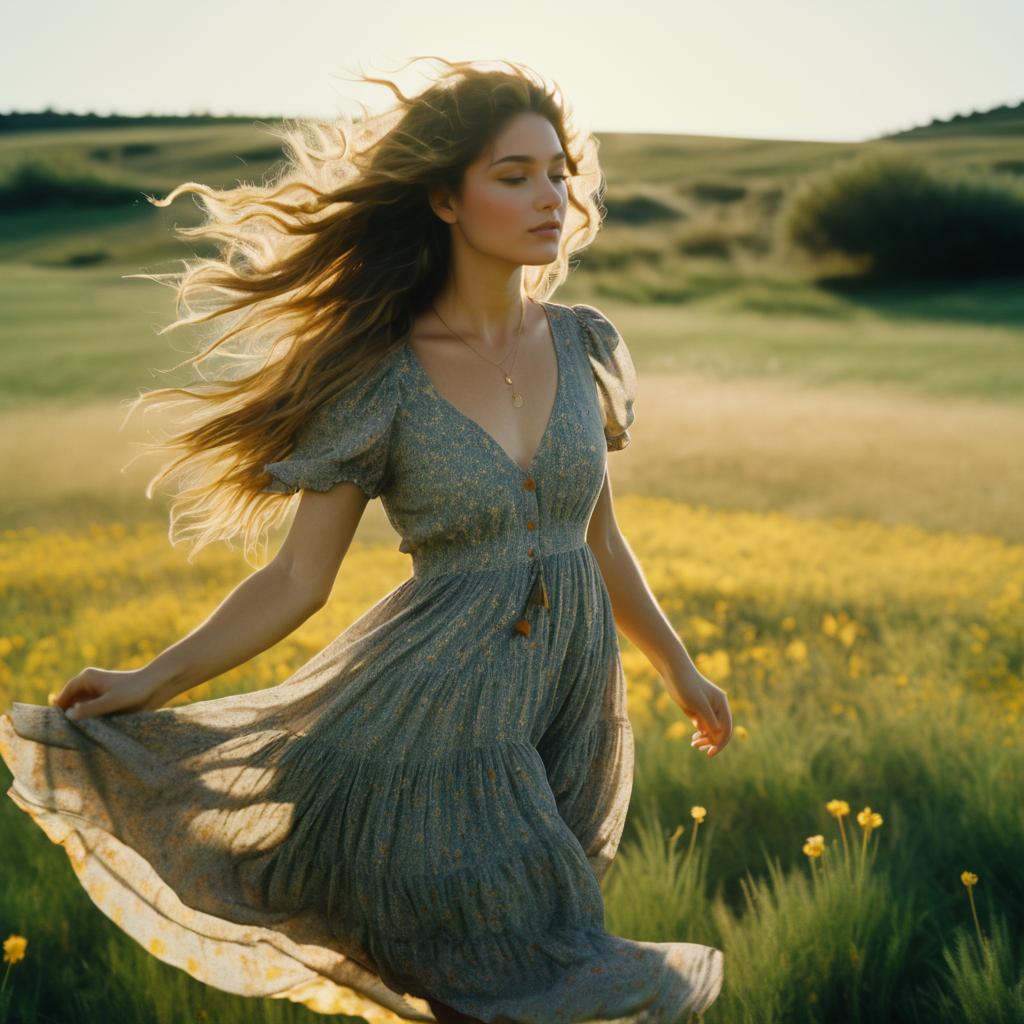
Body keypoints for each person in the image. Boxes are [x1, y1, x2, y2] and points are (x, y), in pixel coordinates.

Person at [0, 57, 731, 1023]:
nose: (551, 196)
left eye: (558, 171)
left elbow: (597, 534)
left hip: (561, 709)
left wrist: (678, 669)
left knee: (496, 986)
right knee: (533, 979)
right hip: (429, 730)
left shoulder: (584, 342)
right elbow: (299, 578)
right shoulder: (378, 378)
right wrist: (152, 682)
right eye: (514, 176)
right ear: (442, 198)